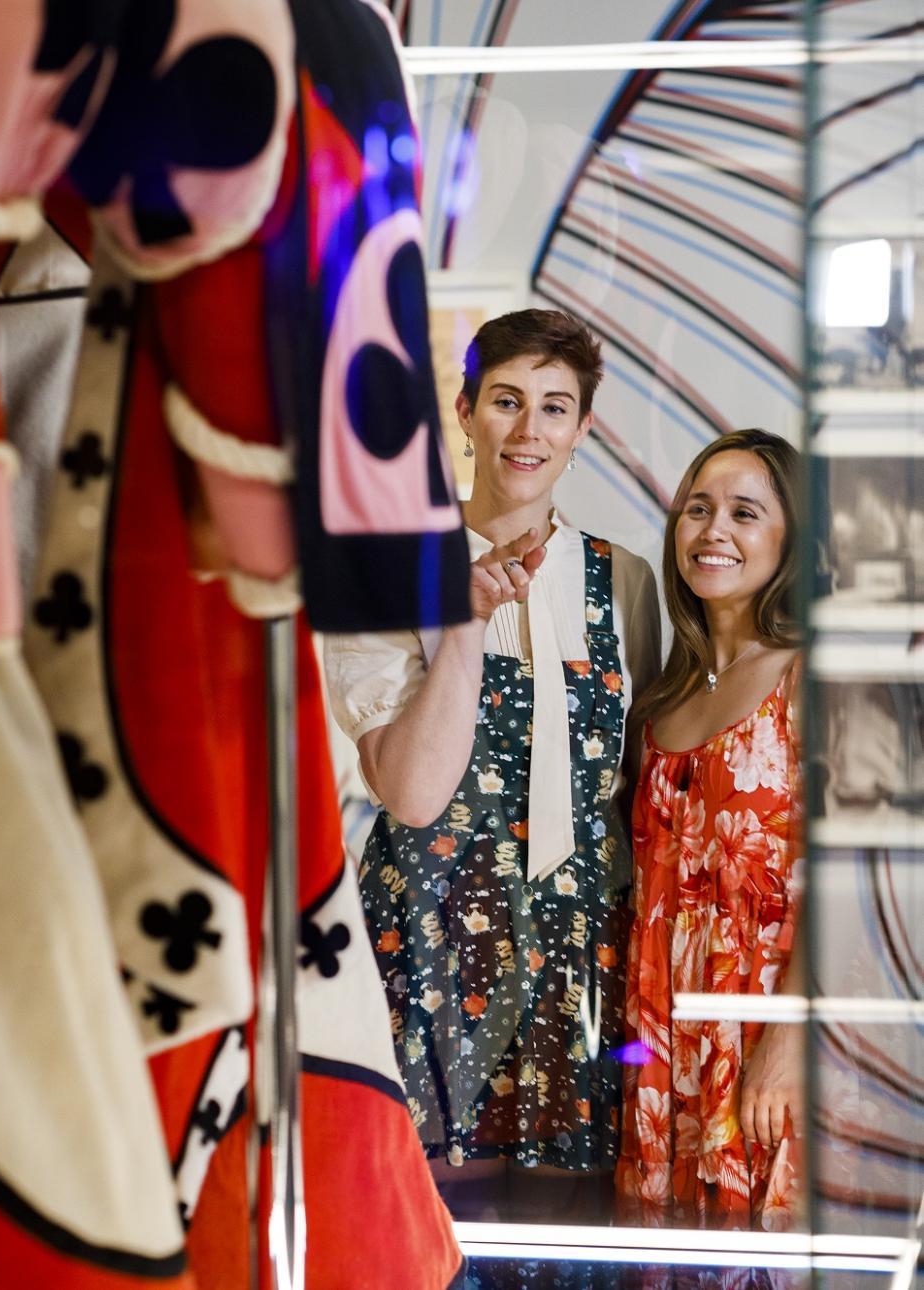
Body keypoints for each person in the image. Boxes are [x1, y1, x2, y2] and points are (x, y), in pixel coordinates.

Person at [324, 309, 660, 1220]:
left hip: (583, 946)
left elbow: (628, 786)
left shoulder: (625, 580)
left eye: (556, 408)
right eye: (507, 401)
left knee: (574, 1227)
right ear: (465, 411)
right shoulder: (391, 572)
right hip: (434, 939)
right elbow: (411, 789)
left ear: (583, 429)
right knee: (441, 1223)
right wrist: (461, 625)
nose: (529, 429)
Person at [616, 429, 804, 1236]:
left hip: (770, 1035)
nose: (712, 530)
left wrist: (790, 1043)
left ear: (792, 539)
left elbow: (862, 884)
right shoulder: (656, 705)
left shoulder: (815, 676)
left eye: (743, 512)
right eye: (697, 509)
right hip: (662, 1051)